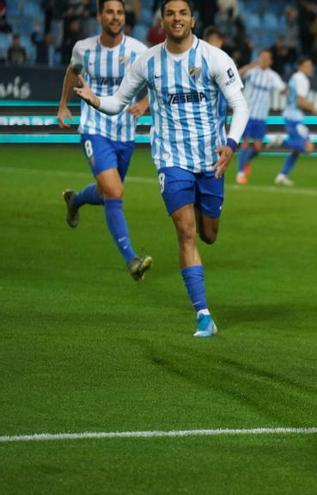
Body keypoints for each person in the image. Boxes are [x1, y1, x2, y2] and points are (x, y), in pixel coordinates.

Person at [74, 0, 249, 337]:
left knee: (208, 234)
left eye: (183, 13)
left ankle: (201, 203)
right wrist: (96, 100)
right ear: (162, 20)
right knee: (185, 232)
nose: (177, 18)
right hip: (171, 160)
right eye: (170, 13)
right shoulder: (148, 61)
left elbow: (239, 107)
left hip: (211, 158)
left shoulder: (213, 58)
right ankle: (203, 315)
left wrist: (231, 144)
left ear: (193, 19)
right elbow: (118, 102)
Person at [58, 0, 152, 281]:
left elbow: (159, 81)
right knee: (114, 192)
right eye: (109, 11)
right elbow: (72, 72)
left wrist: (145, 102)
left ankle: (76, 200)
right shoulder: (83, 48)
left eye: (120, 12)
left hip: (125, 132)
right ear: (99, 16)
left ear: (125, 17)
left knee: (106, 193)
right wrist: (64, 104)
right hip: (94, 128)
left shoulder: (139, 51)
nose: (115, 17)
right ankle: (131, 260)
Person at [235, 49, 286, 185]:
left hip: (261, 116)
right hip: (247, 114)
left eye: (267, 58)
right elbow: (237, 75)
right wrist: (250, 65)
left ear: (270, 61)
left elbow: (282, 89)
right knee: (245, 143)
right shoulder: (252, 71)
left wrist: (288, 91)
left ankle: (245, 162)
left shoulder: (272, 76)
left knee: (258, 147)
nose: (264, 60)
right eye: (262, 57)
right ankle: (240, 173)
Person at [269, 57, 317, 186]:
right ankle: (281, 141)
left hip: (291, 115)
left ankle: (282, 176)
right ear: (300, 67)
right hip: (294, 117)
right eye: (307, 65)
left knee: (296, 150)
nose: (310, 68)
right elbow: (299, 101)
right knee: (308, 148)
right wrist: (312, 107)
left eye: (311, 65)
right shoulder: (302, 79)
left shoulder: (295, 77)